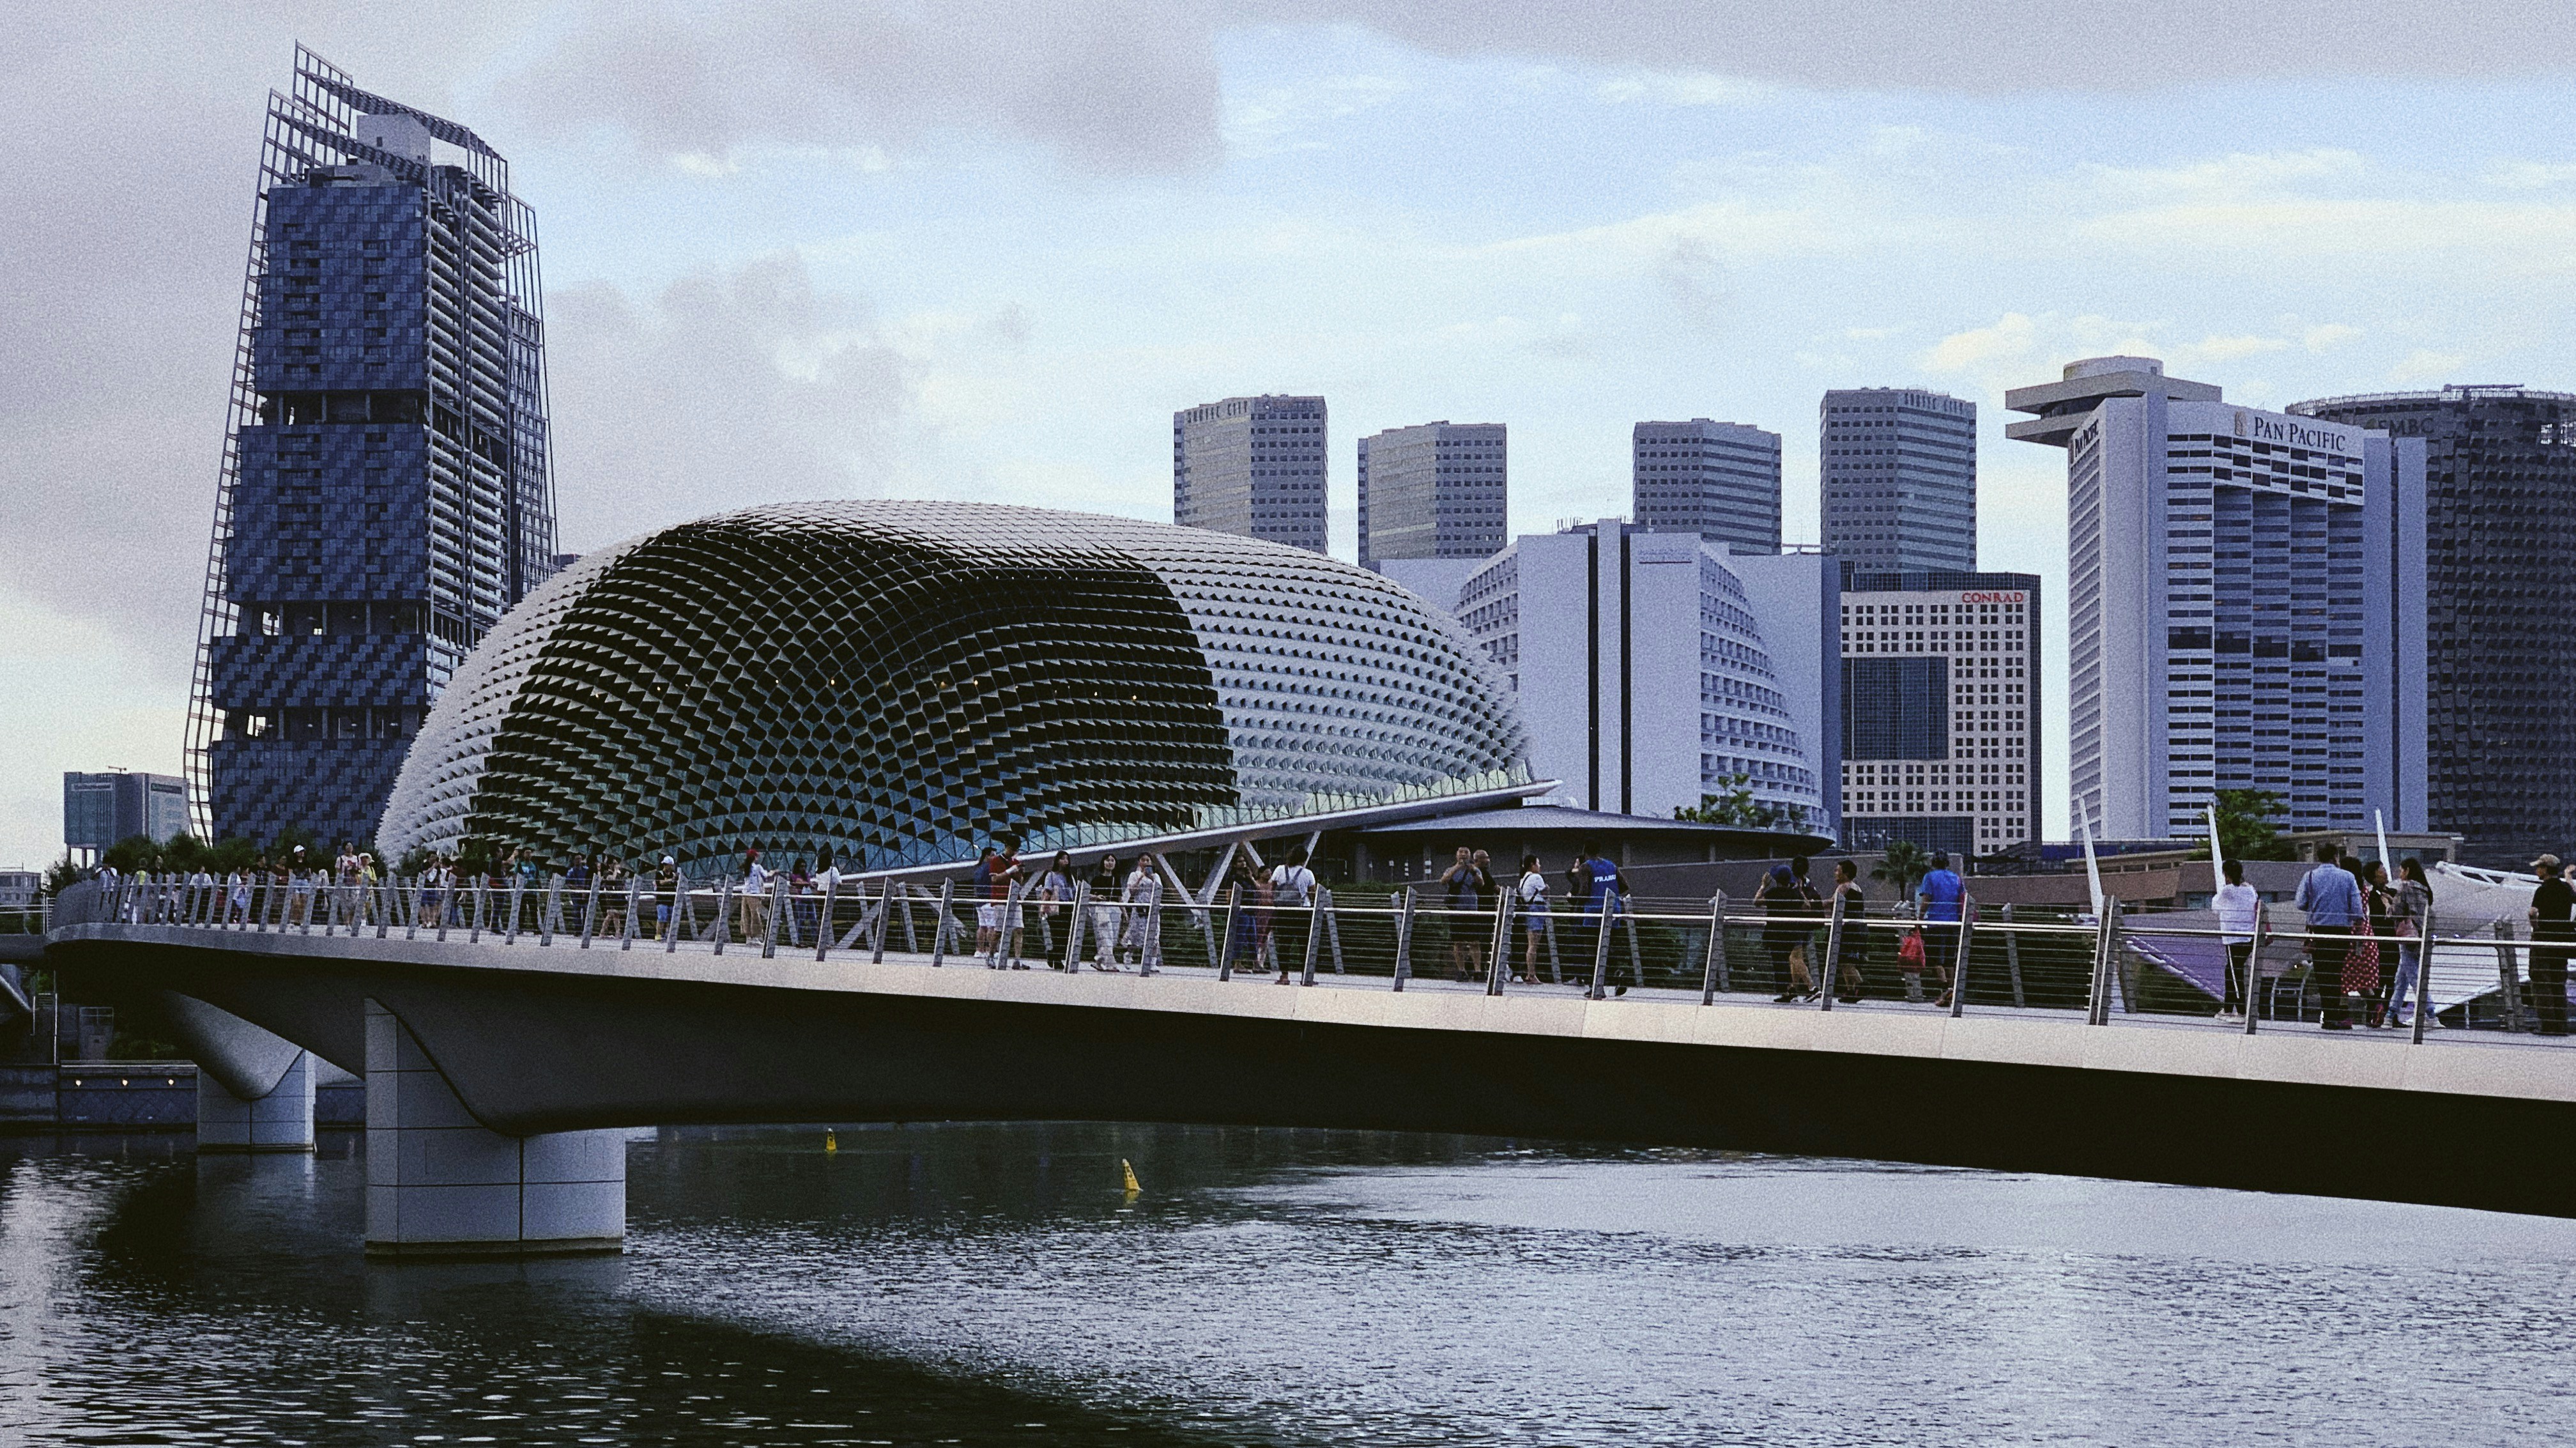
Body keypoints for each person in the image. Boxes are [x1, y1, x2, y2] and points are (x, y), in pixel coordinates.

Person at [2292, 848, 2365, 1029]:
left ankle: (2328, 1016)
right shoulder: (2348, 877)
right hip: (2341, 933)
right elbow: (2357, 909)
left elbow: (2300, 903)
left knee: (2322, 974)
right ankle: (2333, 1015)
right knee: (2336, 973)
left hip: (2318, 933)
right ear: (2336, 857)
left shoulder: (2310, 876)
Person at [2528, 854, 2573, 1037]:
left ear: (2545, 869)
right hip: (2561, 942)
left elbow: (2533, 913)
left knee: (2541, 982)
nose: (2537, 870)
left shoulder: (2542, 890)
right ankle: (2560, 1025)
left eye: (2539, 867)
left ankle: (2547, 1025)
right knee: (2558, 983)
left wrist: (2535, 927)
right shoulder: (2565, 889)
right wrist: (2568, 877)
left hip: (2544, 941)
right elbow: (2574, 896)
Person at [1759, 864, 1818, 1002]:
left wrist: (1763, 886)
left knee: (1779, 962)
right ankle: (1791, 990)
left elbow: (1756, 901)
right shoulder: (1794, 894)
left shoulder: (1772, 893)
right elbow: (1807, 907)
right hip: (1791, 933)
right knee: (1788, 961)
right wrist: (1800, 892)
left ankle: (1788, 992)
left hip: (1774, 933)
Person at [1572, 842, 1626, 990]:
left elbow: (1584, 891)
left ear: (1585, 853)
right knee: (1609, 948)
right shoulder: (1611, 865)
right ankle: (1618, 972)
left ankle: (1595, 988)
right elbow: (1624, 886)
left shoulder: (1586, 867)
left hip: (1593, 913)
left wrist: (1574, 900)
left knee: (1591, 951)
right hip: (1613, 912)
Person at [2386, 858, 2432, 1030]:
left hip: (2407, 936)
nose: (2400, 874)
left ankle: (2431, 1013)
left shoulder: (2405, 887)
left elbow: (2395, 912)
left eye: (2401, 870)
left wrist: (2388, 903)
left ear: (2407, 871)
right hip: (2421, 936)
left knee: (2414, 977)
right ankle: (2390, 1016)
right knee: (2402, 978)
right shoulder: (2424, 889)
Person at [2214, 858, 2260, 1021]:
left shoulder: (2228, 891)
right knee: (2232, 971)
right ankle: (2228, 1008)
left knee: (2235, 973)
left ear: (2226, 875)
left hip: (2233, 937)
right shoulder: (2251, 890)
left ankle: (2241, 1012)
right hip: (2248, 936)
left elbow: (2215, 906)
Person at [1919, 852, 1965, 1010]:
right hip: (1953, 923)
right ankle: (1950, 994)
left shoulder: (1930, 877)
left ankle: (1945, 991)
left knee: (1934, 961)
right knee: (1948, 961)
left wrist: (1919, 918)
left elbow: (1926, 900)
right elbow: (1962, 898)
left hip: (1936, 922)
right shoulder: (1956, 878)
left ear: (1933, 863)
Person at [1270, 847, 1318, 984]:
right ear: (1303, 859)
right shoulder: (1308, 873)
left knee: (1284, 944)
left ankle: (1284, 976)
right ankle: (1305, 977)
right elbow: (1313, 893)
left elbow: (1272, 888)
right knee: (1304, 945)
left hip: (1284, 911)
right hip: (1303, 911)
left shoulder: (1279, 870)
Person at [2358, 860, 2395, 1028]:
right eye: (2382, 870)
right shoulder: (2372, 897)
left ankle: (2389, 1015)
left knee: (2392, 981)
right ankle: (2374, 1015)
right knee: (2380, 980)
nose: (2385, 872)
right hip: (2380, 942)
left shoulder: (2393, 893)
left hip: (2394, 941)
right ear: (2374, 876)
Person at [1441, 846, 1486, 982]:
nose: (1464, 854)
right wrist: (1457, 868)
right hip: (1456, 910)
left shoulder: (1475, 870)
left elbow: (1481, 884)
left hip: (1471, 909)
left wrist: (1472, 872)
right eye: (1461, 852)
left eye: (1466, 852)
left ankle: (1478, 971)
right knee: (1458, 942)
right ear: (1457, 855)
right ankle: (1461, 971)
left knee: (1474, 942)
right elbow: (1443, 881)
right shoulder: (1450, 870)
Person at [1828, 859, 1868, 1003]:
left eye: (1838, 870)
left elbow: (1833, 903)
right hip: (1858, 928)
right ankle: (1850, 991)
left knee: (1845, 961)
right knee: (1846, 960)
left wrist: (1813, 904)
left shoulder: (1843, 887)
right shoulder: (1857, 888)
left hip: (1846, 929)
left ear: (1846, 873)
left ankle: (1861, 985)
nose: (1835, 873)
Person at [1036, 851, 1077, 969]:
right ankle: (1058, 960)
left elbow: (1075, 891)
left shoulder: (1070, 876)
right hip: (1056, 907)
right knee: (1056, 934)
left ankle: (1053, 954)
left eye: (1067, 859)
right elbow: (1047, 891)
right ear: (1057, 860)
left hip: (1068, 907)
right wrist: (1043, 907)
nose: (1066, 861)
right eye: (1063, 859)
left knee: (1066, 935)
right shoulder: (1051, 875)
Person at [1516, 854, 1551, 985]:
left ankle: (1530, 973)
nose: (1540, 866)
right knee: (1533, 945)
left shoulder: (1523, 879)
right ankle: (1531, 974)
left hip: (1529, 908)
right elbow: (1546, 892)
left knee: (1531, 944)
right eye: (1538, 863)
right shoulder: (1536, 877)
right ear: (1532, 865)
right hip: (1537, 909)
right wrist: (1547, 888)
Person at [1122, 854, 1162, 969]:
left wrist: (1151, 877)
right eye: (1143, 860)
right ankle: (1129, 955)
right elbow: (1132, 891)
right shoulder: (1134, 875)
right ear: (1139, 862)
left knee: (1155, 936)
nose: (1145, 862)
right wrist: (1141, 877)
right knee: (1136, 934)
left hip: (1152, 909)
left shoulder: (1156, 876)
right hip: (1139, 909)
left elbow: (1160, 889)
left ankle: (1152, 963)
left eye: (1148, 860)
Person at [1087, 856, 1126, 970]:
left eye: (1112, 860)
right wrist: (1096, 897)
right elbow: (1087, 894)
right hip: (1102, 908)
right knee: (1106, 936)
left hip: (1115, 909)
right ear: (1103, 862)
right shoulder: (1097, 879)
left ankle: (1098, 960)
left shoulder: (1116, 879)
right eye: (1108, 860)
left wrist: (1124, 912)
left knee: (1113, 939)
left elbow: (1120, 898)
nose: (1110, 863)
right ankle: (1111, 965)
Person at [738, 845, 770, 942]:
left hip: (745, 893)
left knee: (745, 915)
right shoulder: (758, 867)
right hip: (754, 894)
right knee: (755, 915)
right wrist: (773, 872)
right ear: (755, 857)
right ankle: (756, 937)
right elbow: (766, 875)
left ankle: (748, 937)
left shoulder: (745, 868)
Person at [655, 855, 680, 940]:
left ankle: (665, 934)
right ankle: (658, 935)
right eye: (670, 865)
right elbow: (661, 883)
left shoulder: (673, 874)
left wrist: (671, 880)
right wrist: (671, 880)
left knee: (669, 919)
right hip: (661, 900)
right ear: (666, 865)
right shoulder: (659, 874)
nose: (671, 867)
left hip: (671, 900)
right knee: (662, 918)